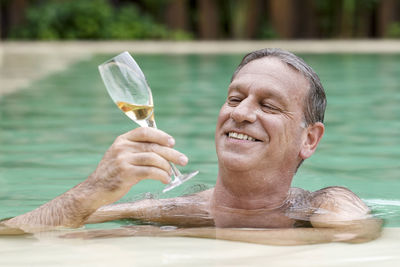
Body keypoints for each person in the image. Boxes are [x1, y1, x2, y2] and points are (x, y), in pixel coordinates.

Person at [1, 48, 381, 245]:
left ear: (309, 139)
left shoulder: (325, 203)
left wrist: (167, 234)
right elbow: (11, 233)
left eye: (268, 105)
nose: (242, 114)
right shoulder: (166, 208)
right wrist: (93, 190)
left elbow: (351, 237)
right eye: (234, 99)